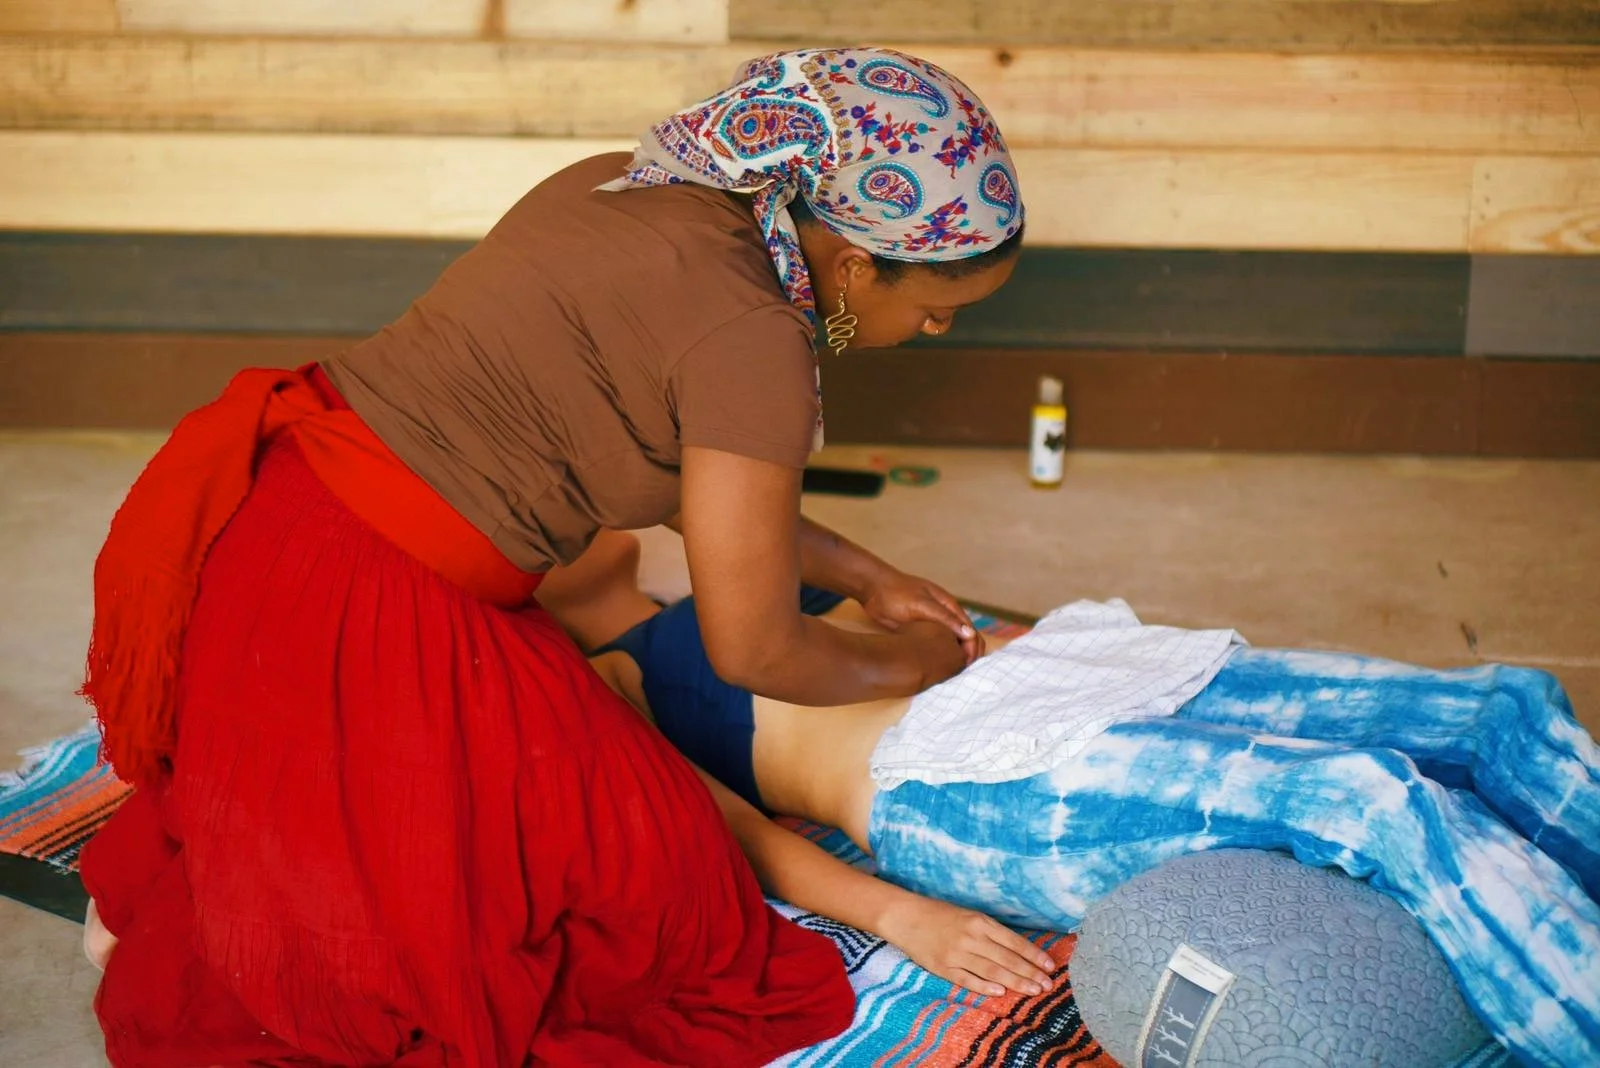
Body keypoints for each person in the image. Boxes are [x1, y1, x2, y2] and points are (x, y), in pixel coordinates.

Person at [75, 47, 1025, 1066]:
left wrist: (867, 577)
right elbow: (755, 652)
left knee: (464, 837)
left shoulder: (623, 184)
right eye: (939, 306)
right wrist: (920, 664)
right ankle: (237, 931)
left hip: (273, 535)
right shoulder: (753, 343)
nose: (932, 327)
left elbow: (673, 472)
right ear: (850, 263)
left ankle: (214, 895)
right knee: (661, 910)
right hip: (371, 606)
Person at [570, 532, 1600, 1068]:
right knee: (1366, 801)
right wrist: (896, 913)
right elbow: (720, 826)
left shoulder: (715, 579)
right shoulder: (593, 682)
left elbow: (880, 611)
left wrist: (958, 636)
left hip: (1053, 683)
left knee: (1502, 713)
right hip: (949, 780)